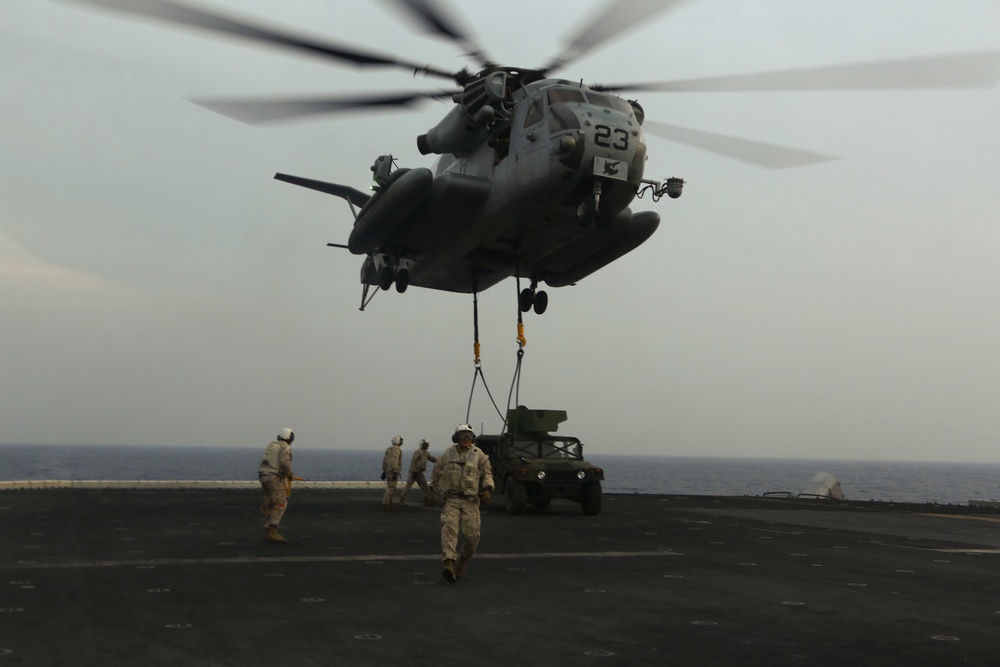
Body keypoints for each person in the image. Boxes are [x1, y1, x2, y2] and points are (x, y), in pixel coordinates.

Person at [431, 424, 494, 583]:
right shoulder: (448, 454)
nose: (466, 439)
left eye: (469, 436)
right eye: (463, 435)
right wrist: (433, 490)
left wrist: (487, 489)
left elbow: (487, 473)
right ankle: (449, 563)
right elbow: (437, 472)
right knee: (449, 529)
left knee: (473, 536)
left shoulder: (479, 455)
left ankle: (464, 559)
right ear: (456, 437)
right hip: (451, 499)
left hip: (471, 500)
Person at [258, 427, 295, 543]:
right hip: (273, 477)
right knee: (280, 502)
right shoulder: (285, 447)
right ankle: (272, 531)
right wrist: (289, 474)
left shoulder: (272, 445)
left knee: (271, 501)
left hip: (263, 475)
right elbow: (284, 462)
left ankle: (268, 530)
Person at [398, 439, 437, 507]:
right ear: (422, 444)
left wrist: (441, 461)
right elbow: (413, 461)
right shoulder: (418, 452)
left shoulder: (426, 453)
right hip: (413, 472)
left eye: (427, 444)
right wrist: (414, 471)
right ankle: (402, 498)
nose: (427, 446)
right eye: (425, 444)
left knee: (425, 487)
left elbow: (432, 459)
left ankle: (427, 501)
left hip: (420, 473)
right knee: (408, 486)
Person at [382, 435, 403, 511]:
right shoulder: (397, 449)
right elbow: (395, 459)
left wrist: (384, 470)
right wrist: (395, 470)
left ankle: (388, 503)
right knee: (391, 488)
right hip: (393, 471)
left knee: (389, 487)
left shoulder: (388, 449)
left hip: (387, 470)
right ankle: (386, 503)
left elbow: (385, 460)